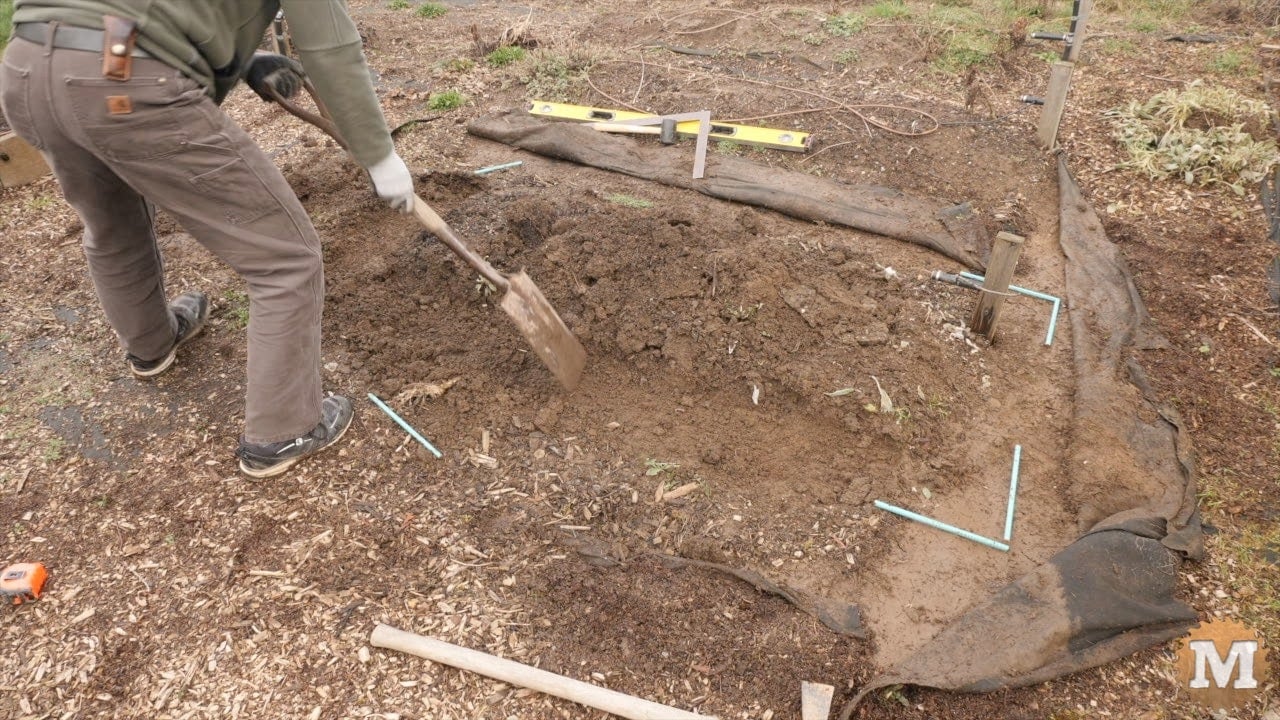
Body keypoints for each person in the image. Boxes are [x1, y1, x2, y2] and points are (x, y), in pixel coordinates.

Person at [0, 1, 414, 478]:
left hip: (28, 67)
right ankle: (286, 430)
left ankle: (152, 344)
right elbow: (331, 46)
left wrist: (244, 62)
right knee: (286, 258)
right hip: (122, 80)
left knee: (112, 221)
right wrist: (380, 156)